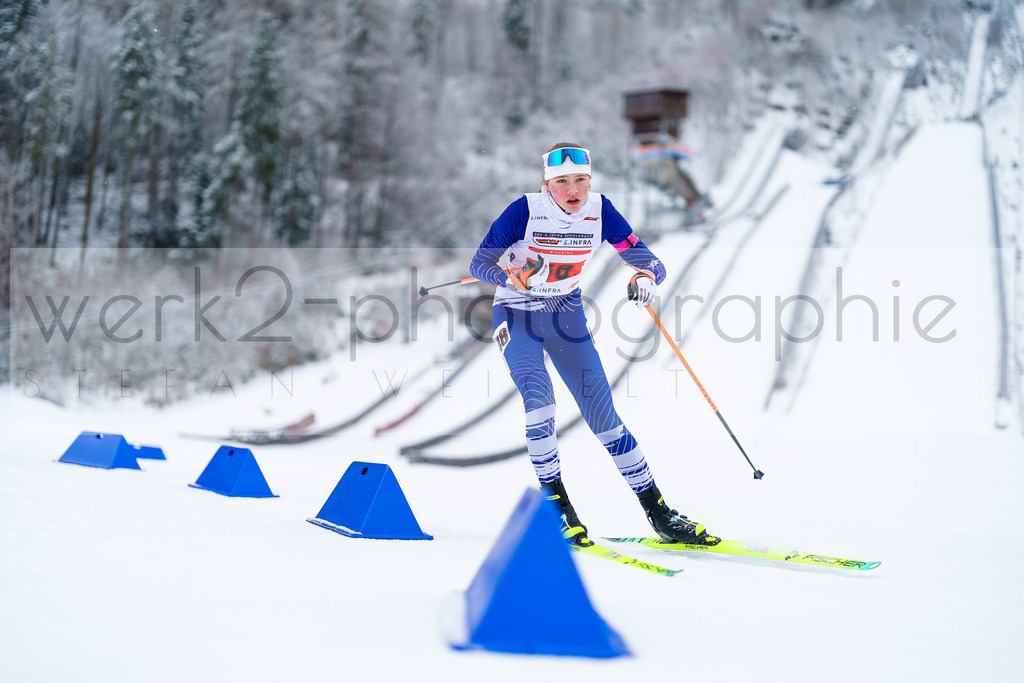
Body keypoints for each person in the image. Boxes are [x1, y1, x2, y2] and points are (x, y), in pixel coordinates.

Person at [469, 142, 719, 548]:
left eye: (581, 180)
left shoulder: (599, 212)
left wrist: (644, 278)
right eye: (562, 182)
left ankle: (658, 511)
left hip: (565, 314)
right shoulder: (525, 210)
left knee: (605, 417)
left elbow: (647, 259)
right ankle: (558, 508)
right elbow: (479, 264)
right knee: (540, 400)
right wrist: (514, 278)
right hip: (517, 315)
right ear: (547, 185)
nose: (573, 190)